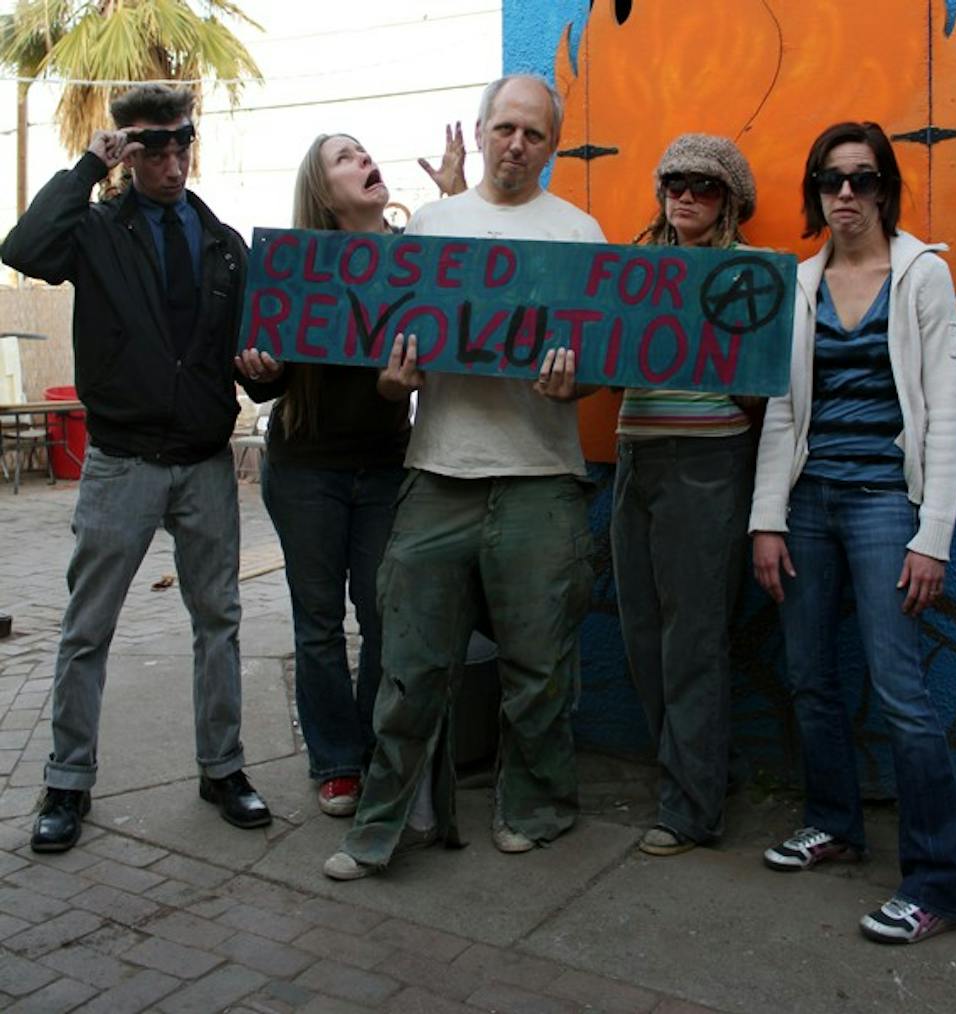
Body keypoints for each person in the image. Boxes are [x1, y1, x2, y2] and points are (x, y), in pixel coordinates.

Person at [323, 73, 606, 880]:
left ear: (552, 143)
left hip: (543, 476)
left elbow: (599, 369)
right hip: (439, 471)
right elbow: (385, 368)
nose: (517, 145)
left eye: (535, 134)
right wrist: (395, 381)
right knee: (408, 665)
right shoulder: (432, 228)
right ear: (481, 131)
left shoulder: (581, 234)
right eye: (505, 128)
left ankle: (537, 808)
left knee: (540, 665)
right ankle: (381, 827)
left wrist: (573, 384)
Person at [1, 84, 271, 852]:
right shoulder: (94, 228)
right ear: (124, 150)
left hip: (202, 463)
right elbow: (21, 250)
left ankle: (223, 769)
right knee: (88, 628)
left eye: (182, 142)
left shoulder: (221, 241)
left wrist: (268, 370)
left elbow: (258, 366)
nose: (171, 158)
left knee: (218, 621)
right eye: (152, 145)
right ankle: (66, 782)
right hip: (121, 464)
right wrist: (87, 165)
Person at [749, 121, 956, 944]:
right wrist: (767, 517)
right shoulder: (800, 284)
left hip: (884, 505)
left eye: (863, 179)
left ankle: (938, 884)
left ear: (886, 189)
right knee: (809, 676)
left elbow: (946, 414)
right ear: (816, 192)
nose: (846, 193)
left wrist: (933, 535)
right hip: (808, 502)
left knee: (903, 696)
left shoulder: (922, 275)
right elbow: (780, 410)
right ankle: (835, 824)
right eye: (831, 179)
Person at [235, 127, 467, 819]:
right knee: (317, 622)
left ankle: (374, 749)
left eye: (365, 151)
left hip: (385, 469)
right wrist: (259, 368)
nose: (365, 159)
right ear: (323, 191)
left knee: (381, 614)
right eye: (345, 157)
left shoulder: (410, 256)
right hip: (305, 470)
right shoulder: (291, 267)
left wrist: (454, 196)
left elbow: (465, 292)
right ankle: (336, 761)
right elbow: (263, 379)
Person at [611, 134, 760, 858]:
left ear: (730, 198)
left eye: (704, 184)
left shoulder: (748, 275)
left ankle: (690, 808)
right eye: (674, 180)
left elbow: (766, 393)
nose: (686, 193)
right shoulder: (634, 269)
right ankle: (696, 774)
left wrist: (717, 348)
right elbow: (605, 367)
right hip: (634, 455)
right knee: (641, 630)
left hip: (709, 459)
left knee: (694, 637)